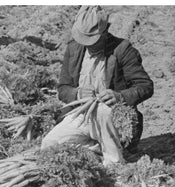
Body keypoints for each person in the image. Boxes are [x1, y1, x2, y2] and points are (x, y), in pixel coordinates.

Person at [41, 6, 153, 166]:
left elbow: (145, 86)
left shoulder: (122, 50)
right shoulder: (74, 49)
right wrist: (77, 94)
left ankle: (114, 162)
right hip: (81, 113)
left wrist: (119, 97)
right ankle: (98, 148)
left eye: (92, 40)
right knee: (49, 144)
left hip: (111, 116)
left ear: (105, 33)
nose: (87, 44)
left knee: (102, 111)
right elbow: (63, 88)